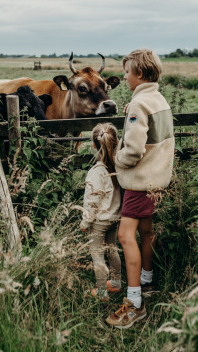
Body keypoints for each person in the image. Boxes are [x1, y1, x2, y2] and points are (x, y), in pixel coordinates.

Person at [106, 49, 174, 328]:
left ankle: (134, 304)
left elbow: (133, 149)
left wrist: (118, 159)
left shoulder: (138, 105)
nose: (124, 76)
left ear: (140, 75)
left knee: (125, 236)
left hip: (137, 182)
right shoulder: (157, 99)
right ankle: (147, 281)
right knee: (147, 231)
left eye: (127, 72)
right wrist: (133, 107)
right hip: (155, 181)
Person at [80, 122, 122, 301]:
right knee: (112, 250)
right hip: (114, 218)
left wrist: (85, 222)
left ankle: (103, 292)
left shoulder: (96, 172)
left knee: (97, 254)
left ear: (94, 145)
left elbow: (93, 201)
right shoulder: (118, 169)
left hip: (98, 222)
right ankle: (116, 282)